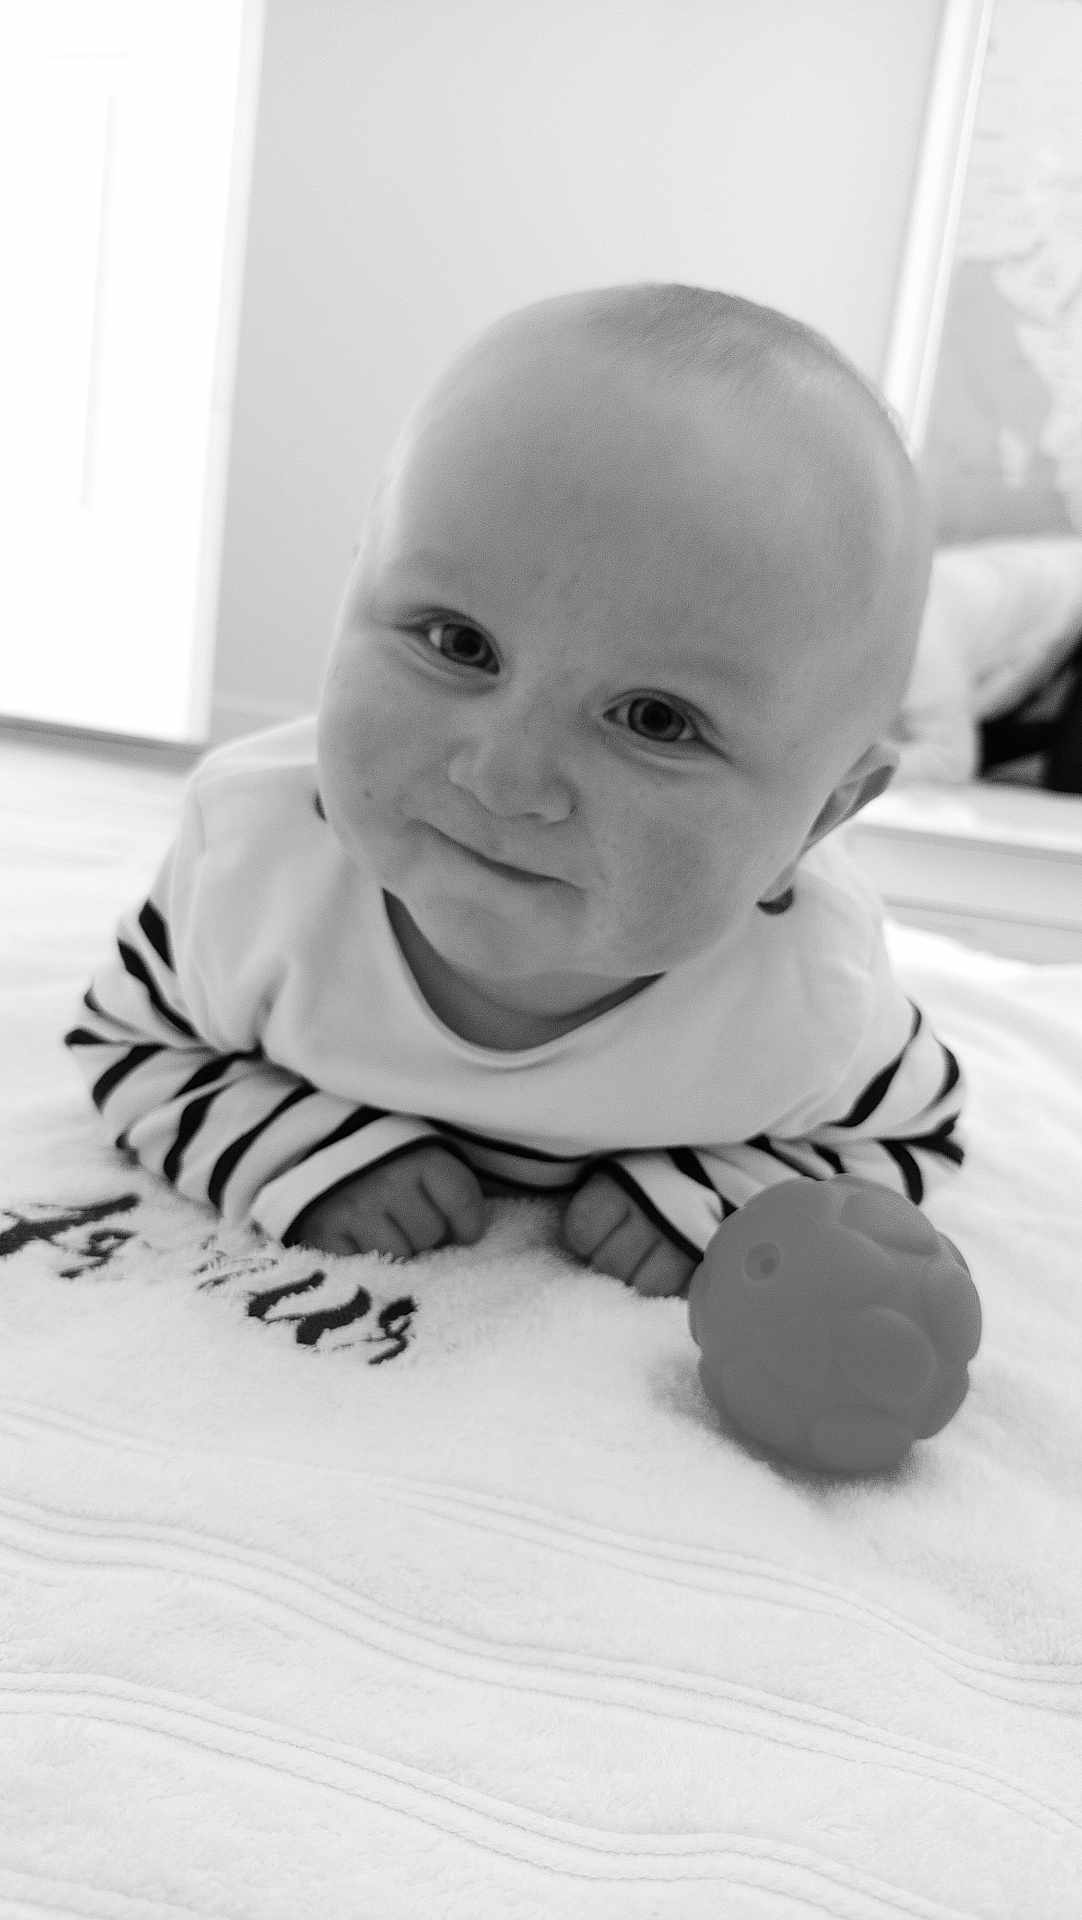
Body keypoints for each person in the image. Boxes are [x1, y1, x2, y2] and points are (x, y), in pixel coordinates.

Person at [63, 282, 967, 1298]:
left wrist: (708, 1192)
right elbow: (128, 1037)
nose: (503, 778)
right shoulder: (253, 858)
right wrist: (295, 1149)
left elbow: (910, 1134)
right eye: (459, 643)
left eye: (655, 720)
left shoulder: (808, 1001)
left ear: (818, 820)